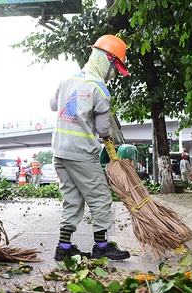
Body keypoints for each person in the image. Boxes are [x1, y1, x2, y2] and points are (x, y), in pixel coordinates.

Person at [50, 34, 131, 261]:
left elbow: (54, 105)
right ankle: (102, 246)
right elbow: (103, 128)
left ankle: (64, 247)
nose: (113, 75)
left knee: (73, 199)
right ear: (107, 60)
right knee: (100, 197)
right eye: (114, 69)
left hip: (60, 151)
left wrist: (74, 102)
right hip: (82, 152)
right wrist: (105, 137)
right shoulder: (99, 89)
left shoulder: (67, 81)